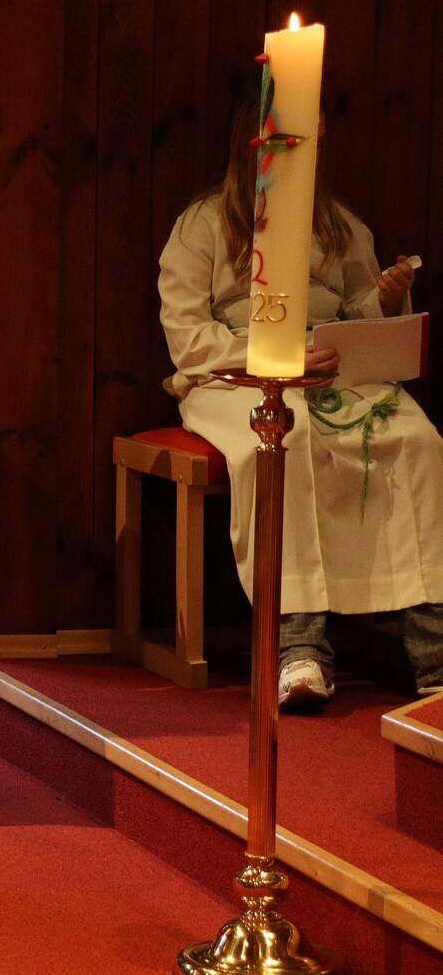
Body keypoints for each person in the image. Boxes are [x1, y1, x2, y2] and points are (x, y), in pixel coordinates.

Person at [159, 93, 443, 711]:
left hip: (327, 370)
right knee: (284, 439)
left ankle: (434, 654)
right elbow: (189, 335)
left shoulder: (337, 224)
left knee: (418, 440)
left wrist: (384, 298)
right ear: (253, 144)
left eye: (312, 146)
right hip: (236, 375)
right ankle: (301, 648)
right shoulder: (203, 223)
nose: (302, 158)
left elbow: (357, 312)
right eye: (291, 144)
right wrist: (274, 355)